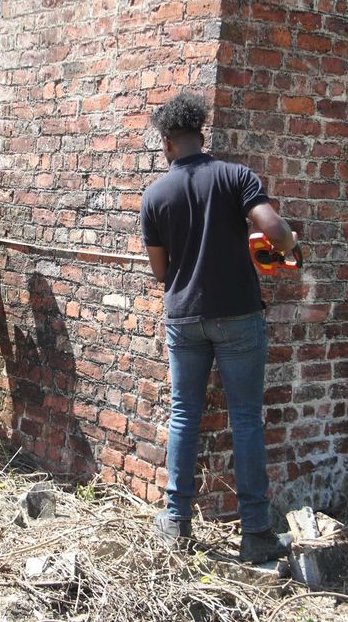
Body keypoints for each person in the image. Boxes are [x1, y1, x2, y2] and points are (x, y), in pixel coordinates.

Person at [139, 91, 298, 564]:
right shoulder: (235, 176)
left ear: (167, 143)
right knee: (246, 419)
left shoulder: (154, 196)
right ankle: (256, 533)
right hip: (238, 314)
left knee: (184, 414)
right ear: (200, 135)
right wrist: (286, 243)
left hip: (184, 317)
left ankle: (176, 521)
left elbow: (160, 272)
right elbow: (275, 230)